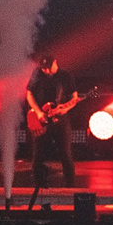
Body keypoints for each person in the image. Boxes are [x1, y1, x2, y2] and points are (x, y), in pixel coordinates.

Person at [26, 56, 77, 187]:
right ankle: (39, 185)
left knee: (66, 154)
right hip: (41, 118)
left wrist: (65, 109)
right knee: (38, 155)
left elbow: (74, 97)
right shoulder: (37, 74)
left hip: (60, 119)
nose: (47, 70)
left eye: (49, 67)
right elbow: (29, 93)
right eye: (44, 68)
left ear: (55, 62)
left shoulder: (65, 76)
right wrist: (37, 112)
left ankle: (70, 186)